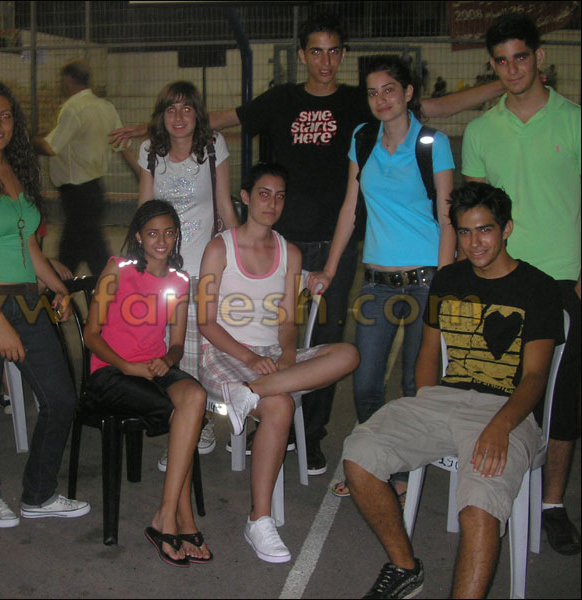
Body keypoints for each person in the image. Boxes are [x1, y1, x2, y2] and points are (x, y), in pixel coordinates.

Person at [111, 13, 507, 478]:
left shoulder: (363, 102)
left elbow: (433, 108)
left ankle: (310, 436)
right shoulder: (282, 99)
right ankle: (264, 417)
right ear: (302, 55)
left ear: (343, 55)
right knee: (267, 331)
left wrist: (503, 82)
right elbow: (218, 118)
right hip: (283, 244)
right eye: (316, 51)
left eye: (333, 51)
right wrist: (150, 127)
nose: (325, 60)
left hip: (335, 245)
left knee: (325, 339)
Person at [343, 182, 563, 598]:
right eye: (464, 232)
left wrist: (500, 427)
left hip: (507, 411)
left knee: (479, 507)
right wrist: (426, 401)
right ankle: (405, 567)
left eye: (484, 230)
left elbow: (535, 376)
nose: (474, 243)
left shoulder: (539, 288)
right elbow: (429, 351)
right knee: (359, 453)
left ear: (506, 229)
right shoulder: (448, 279)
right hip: (443, 399)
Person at [0, 78, 90, 529]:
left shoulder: (18, 170)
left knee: (61, 399)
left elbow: (28, 246)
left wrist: (59, 289)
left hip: (28, 302)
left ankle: (38, 494)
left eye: (4, 115)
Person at [308, 55, 455, 501]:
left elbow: (448, 216)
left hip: (426, 280)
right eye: (373, 93)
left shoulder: (433, 143)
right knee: (366, 381)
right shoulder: (363, 138)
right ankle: (376, 463)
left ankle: (404, 469)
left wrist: (445, 283)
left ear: (408, 93)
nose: (381, 100)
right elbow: (350, 210)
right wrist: (331, 268)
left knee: (414, 383)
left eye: (389, 90)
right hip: (375, 281)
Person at [462, 13, 581, 556]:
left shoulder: (573, 121)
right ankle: (498, 491)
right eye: (502, 61)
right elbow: (474, 214)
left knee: (562, 400)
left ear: (539, 57)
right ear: (493, 66)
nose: (512, 69)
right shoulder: (481, 131)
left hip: (563, 281)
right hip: (503, 282)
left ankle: (552, 504)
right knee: (503, 390)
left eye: (521, 57)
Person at [197, 163, 359, 563]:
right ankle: (259, 518)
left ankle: (250, 393)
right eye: (264, 194)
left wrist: (286, 353)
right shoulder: (220, 248)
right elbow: (206, 321)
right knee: (280, 404)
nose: (272, 203)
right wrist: (250, 357)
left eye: (280, 196)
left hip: (269, 359)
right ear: (246, 197)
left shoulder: (290, 253)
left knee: (348, 354)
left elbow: (287, 321)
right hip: (225, 353)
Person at [84, 199, 212, 567]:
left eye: (169, 233)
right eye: (153, 233)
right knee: (181, 414)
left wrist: (168, 360)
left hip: (155, 368)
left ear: (177, 236)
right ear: (139, 236)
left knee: (195, 396)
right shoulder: (117, 269)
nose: (161, 241)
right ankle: (177, 519)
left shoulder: (180, 281)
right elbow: (91, 334)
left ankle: (167, 515)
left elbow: (176, 344)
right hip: (111, 370)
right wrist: (128, 366)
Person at [138, 81, 238, 465]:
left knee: (193, 354)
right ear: (161, 115)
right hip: (161, 270)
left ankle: (199, 425)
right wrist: (136, 266)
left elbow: (224, 205)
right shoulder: (150, 151)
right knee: (162, 349)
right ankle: (181, 422)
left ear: (198, 113)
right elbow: (145, 209)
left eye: (186, 109)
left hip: (200, 269)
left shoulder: (213, 147)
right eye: (170, 109)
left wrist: (237, 258)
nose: (179, 117)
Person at [33, 59, 139, 277]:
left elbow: (51, 147)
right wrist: (141, 174)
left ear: (69, 79)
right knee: (76, 250)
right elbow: (123, 146)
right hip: (94, 191)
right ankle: (74, 289)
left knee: (89, 252)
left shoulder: (73, 109)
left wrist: (26, 141)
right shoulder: (106, 107)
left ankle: (103, 289)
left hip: (76, 193)